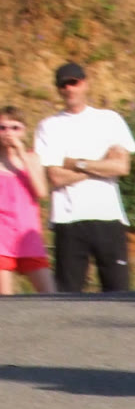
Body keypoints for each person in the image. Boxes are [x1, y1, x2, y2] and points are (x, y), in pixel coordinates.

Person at [34, 63, 135, 294]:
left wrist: (75, 163)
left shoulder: (110, 119)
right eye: (63, 85)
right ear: (58, 89)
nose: (69, 88)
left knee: (119, 292)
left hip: (108, 216)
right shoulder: (48, 126)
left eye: (74, 82)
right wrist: (101, 164)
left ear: (85, 83)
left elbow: (121, 166)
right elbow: (55, 176)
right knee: (68, 296)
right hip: (68, 219)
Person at [0, 108, 53, 295]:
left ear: (23, 131)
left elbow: (41, 191)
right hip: (2, 235)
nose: (8, 133)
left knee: (50, 295)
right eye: (3, 128)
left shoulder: (32, 158)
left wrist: (21, 154)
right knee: (5, 300)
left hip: (28, 235)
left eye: (15, 128)